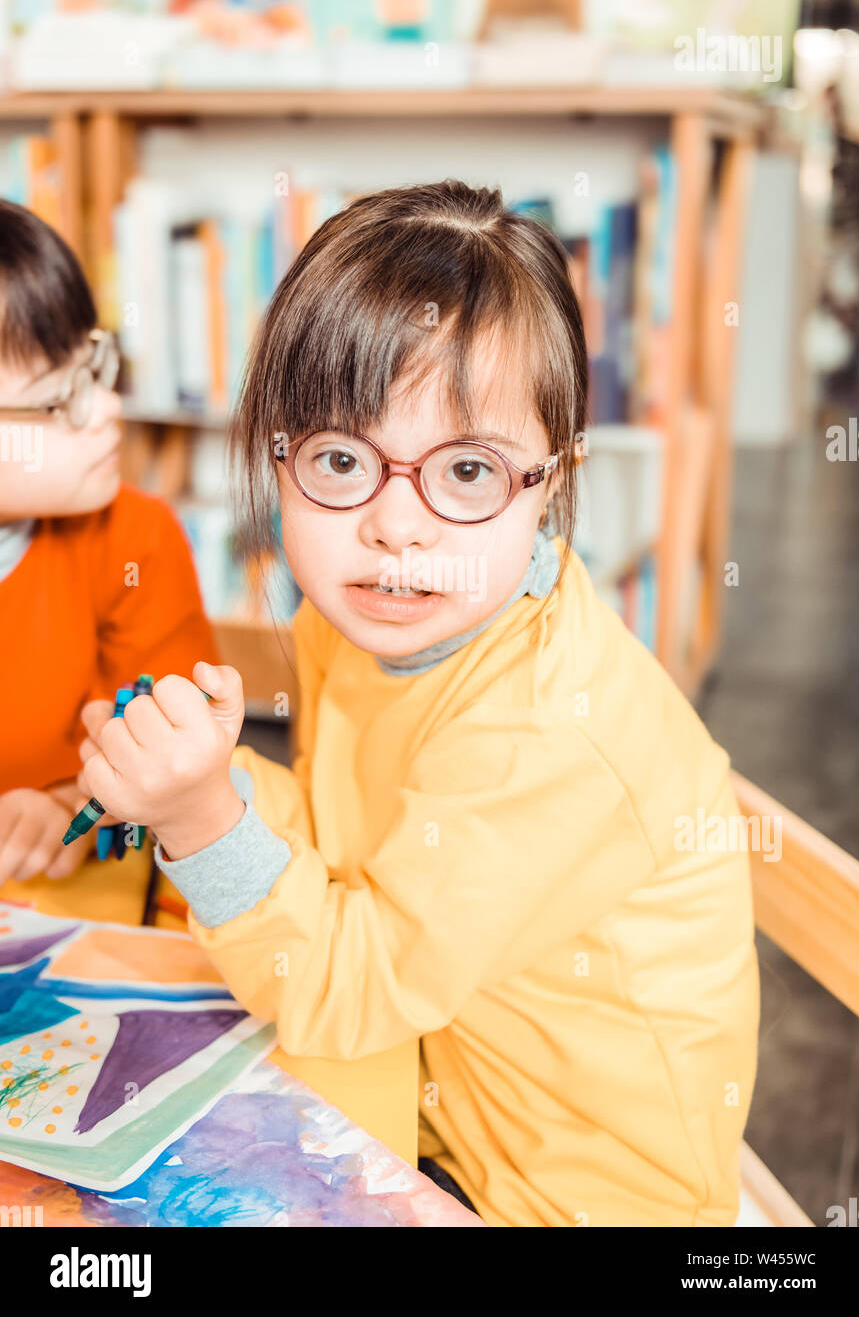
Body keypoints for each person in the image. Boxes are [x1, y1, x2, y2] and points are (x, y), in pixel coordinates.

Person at [75, 180, 760, 1226]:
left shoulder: (545, 730)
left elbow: (348, 984)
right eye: (341, 459)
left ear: (550, 482)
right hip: (422, 1083)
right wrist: (206, 775)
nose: (396, 526)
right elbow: (362, 851)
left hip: (569, 1200)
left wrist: (202, 817)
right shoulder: (367, 618)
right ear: (277, 456)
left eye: (468, 470)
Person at [0, 198, 219, 885]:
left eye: (94, 365)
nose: (109, 408)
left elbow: (186, 768)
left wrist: (71, 808)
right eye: (60, 397)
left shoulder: (136, 540)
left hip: (78, 904)